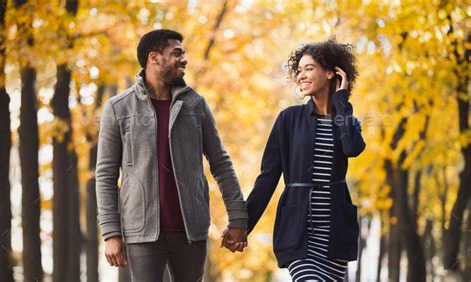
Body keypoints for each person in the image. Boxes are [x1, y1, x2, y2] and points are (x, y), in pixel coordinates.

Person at [96, 29, 248, 281]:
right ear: (154, 58)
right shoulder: (118, 108)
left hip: (191, 230)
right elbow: (105, 176)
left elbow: (221, 164)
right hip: (141, 232)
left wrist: (238, 217)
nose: (184, 60)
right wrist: (111, 233)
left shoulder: (195, 105)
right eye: (176, 54)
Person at [224, 39, 366, 281]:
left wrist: (341, 102)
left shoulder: (347, 121)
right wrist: (242, 224)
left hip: (334, 237)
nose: (301, 76)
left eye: (309, 68)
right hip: (299, 233)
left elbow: (352, 148)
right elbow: (268, 177)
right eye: (299, 70)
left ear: (331, 73)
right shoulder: (288, 119)